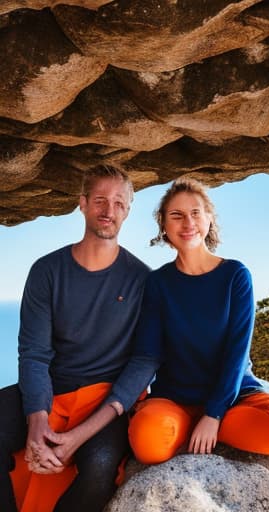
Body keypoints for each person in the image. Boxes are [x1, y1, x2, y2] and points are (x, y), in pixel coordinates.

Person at [74, 176, 269, 464]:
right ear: (164, 225)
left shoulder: (235, 275)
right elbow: (148, 354)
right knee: (148, 443)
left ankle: (205, 431)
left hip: (234, 399)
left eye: (196, 213)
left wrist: (213, 415)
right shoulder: (158, 283)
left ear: (209, 219)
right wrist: (122, 400)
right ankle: (194, 430)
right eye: (177, 215)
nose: (188, 223)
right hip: (176, 400)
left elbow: (237, 353)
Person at [0, 165, 149, 512]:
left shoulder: (142, 280)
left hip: (103, 403)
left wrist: (78, 437)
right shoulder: (47, 271)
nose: (108, 211)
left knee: (100, 466)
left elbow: (144, 361)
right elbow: (34, 353)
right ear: (82, 204)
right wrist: (36, 422)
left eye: (117, 203)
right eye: (99, 200)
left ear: (127, 210)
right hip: (50, 391)